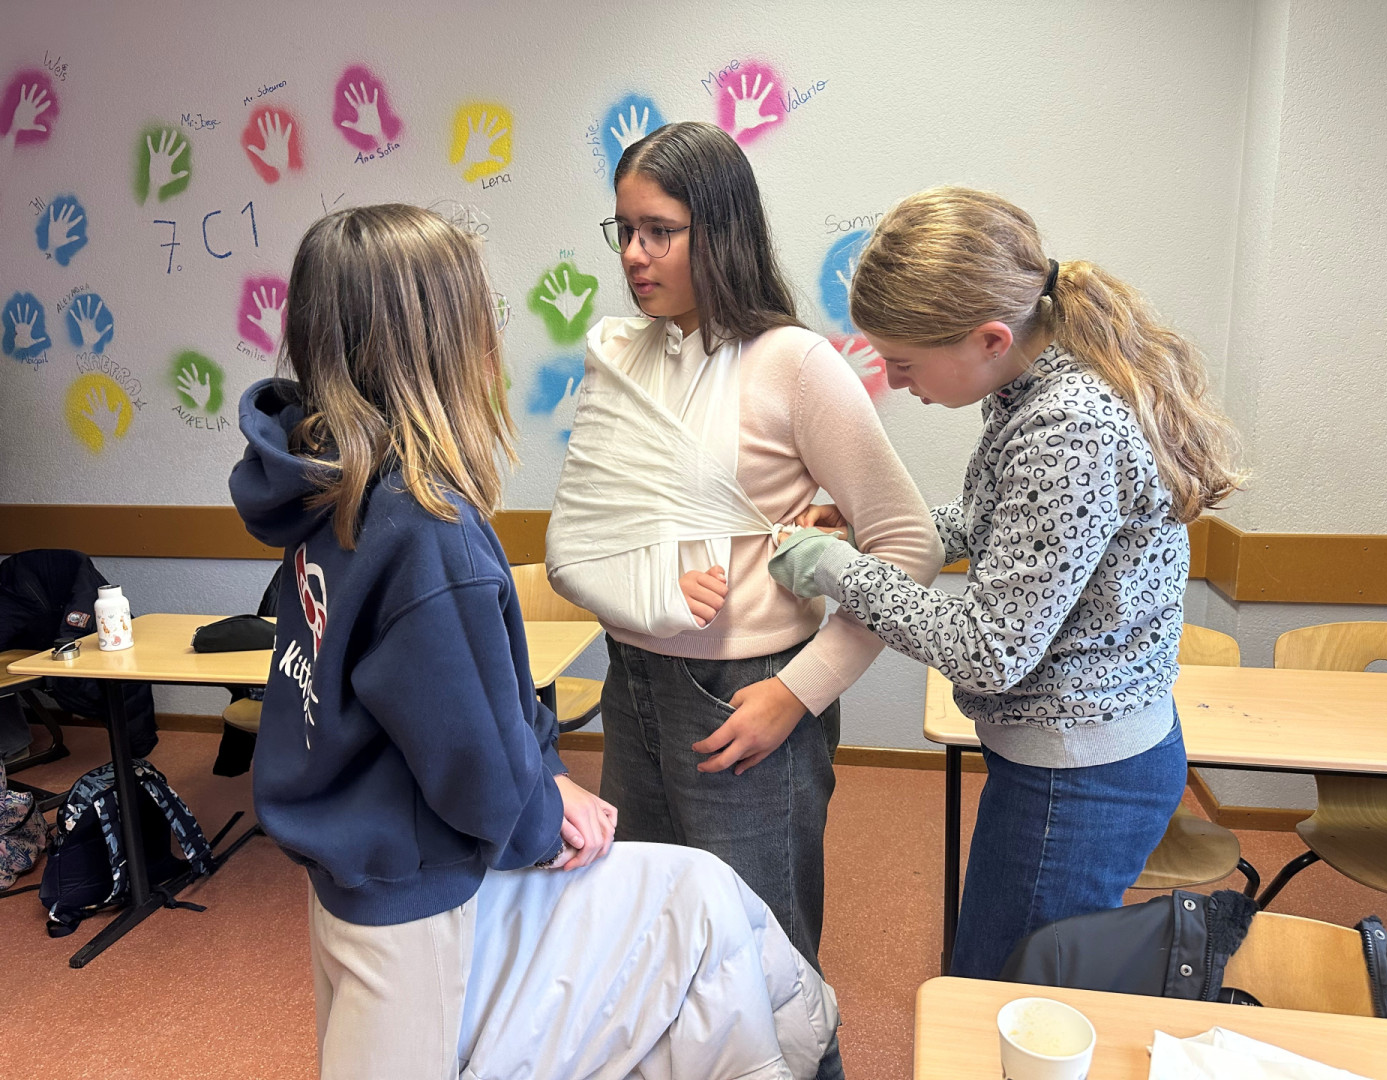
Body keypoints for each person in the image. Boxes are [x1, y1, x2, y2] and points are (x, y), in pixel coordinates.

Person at [230, 204, 837, 1080]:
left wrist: (543, 773)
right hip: (406, 893)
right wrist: (541, 817)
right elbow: (469, 746)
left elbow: (460, 705)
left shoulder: (329, 490)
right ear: (445, 343)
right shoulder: (428, 532)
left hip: (349, 864)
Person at [768, 186, 1245, 980]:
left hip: (1080, 773)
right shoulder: (1030, 386)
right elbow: (1011, 525)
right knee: (1013, 985)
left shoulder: (1069, 427)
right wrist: (874, 529)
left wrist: (836, 569)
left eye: (903, 362)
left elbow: (989, 650)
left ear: (990, 338)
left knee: (1005, 997)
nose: (894, 380)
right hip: (1076, 757)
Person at [545, 122, 943, 987]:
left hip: (745, 693)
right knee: (652, 945)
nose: (635, 254)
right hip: (632, 682)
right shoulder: (623, 359)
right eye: (625, 230)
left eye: (660, 231)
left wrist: (799, 693)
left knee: (762, 963)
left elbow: (909, 543)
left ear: (719, 230)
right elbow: (588, 534)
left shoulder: (793, 364)